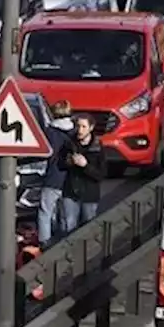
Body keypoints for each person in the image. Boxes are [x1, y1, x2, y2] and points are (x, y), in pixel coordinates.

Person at [37, 100, 75, 247]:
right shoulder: (75, 131)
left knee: (45, 212)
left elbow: (44, 155)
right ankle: (66, 244)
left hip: (53, 177)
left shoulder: (49, 132)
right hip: (70, 179)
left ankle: (45, 243)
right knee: (67, 214)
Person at [60, 113, 106, 232]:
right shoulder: (69, 143)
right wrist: (68, 161)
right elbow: (59, 164)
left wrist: (85, 166)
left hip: (89, 195)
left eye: (83, 127)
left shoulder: (98, 148)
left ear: (91, 128)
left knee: (88, 228)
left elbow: (101, 174)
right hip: (70, 192)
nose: (80, 130)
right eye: (78, 126)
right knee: (68, 226)